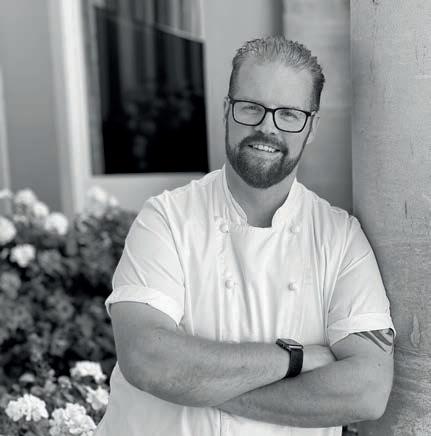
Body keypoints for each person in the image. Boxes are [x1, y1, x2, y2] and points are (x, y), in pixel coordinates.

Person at [95, 36, 395, 436]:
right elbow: (147, 359)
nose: (266, 127)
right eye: (251, 107)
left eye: (289, 114)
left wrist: (196, 385)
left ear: (311, 127)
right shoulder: (166, 218)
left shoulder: (341, 240)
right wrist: (294, 359)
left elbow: (367, 392)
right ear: (227, 111)